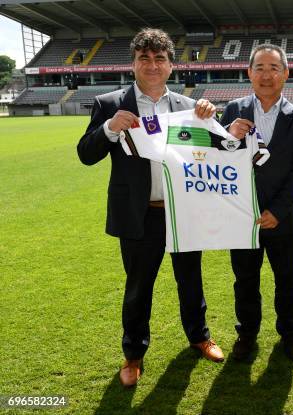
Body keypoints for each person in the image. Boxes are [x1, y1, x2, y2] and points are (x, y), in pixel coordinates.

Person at [77, 28, 224, 388]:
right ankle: (133, 354)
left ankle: (199, 336)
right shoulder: (111, 104)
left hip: (181, 211)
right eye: (145, 57)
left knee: (191, 280)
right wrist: (110, 129)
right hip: (138, 214)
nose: (152, 65)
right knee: (139, 286)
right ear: (134, 63)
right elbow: (86, 154)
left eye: (160, 58)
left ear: (171, 65)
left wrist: (210, 119)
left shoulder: (189, 107)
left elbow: (217, 152)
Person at [220, 44, 293, 361]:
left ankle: (290, 333)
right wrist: (228, 136)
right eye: (259, 67)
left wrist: (278, 211)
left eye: (274, 68)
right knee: (245, 281)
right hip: (241, 218)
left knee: (287, 280)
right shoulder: (232, 111)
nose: (266, 75)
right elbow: (215, 157)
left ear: (286, 73)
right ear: (249, 73)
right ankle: (246, 334)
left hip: (281, 219)